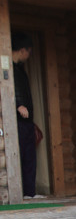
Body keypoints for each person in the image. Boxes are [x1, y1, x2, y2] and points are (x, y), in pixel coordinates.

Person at [12, 31, 37, 198]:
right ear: (23, 50)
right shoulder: (7, 68)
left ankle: (29, 193)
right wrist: (18, 105)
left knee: (29, 155)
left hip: (27, 121)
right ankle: (20, 194)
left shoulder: (20, 69)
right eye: (28, 52)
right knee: (20, 155)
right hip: (17, 121)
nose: (28, 56)